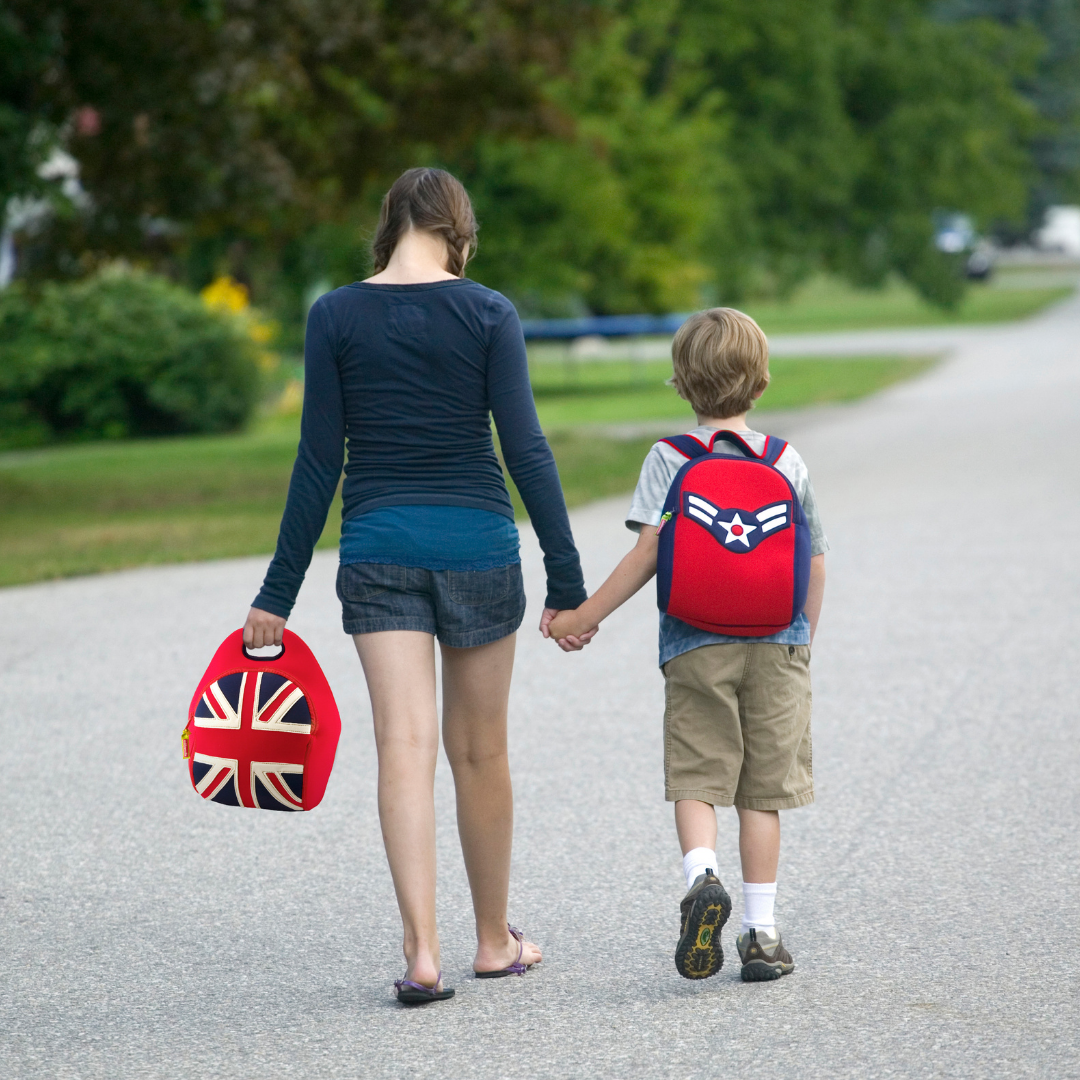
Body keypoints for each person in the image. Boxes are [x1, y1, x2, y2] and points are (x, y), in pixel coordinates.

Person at [244, 167, 590, 1004]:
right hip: (478, 547)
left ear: (388, 224)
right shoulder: (488, 312)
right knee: (479, 752)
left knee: (403, 746)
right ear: (458, 231)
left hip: (378, 546)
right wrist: (568, 575)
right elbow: (526, 450)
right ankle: (491, 942)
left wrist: (275, 595)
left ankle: (422, 952)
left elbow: (318, 462)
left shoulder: (334, 314)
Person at [547, 308, 827, 982]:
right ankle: (760, 934)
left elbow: (647, 553)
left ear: (680, 383)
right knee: (762, 790)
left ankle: (703, 877)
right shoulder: (785, 460)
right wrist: (802, 641)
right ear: (760, 384)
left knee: (699, 773)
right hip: (776, 639)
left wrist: (583, 616)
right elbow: (813, 560)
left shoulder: (670, 459)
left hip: (695, 640)